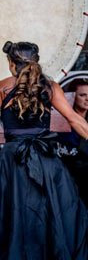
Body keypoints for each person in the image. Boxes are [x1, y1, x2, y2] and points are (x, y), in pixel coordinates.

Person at [0, 42, 88, 259]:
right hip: (46, 163)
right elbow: (75, 119)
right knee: (60, 215)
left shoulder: (0, 88)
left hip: (12, 162)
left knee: (1, 217)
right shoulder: (50, 87)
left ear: (11, 64)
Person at [57, 78, 88, 206]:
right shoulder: (59, 122)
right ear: (72, 96)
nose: (87, 99)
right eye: (83, 95)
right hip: (65, 178)